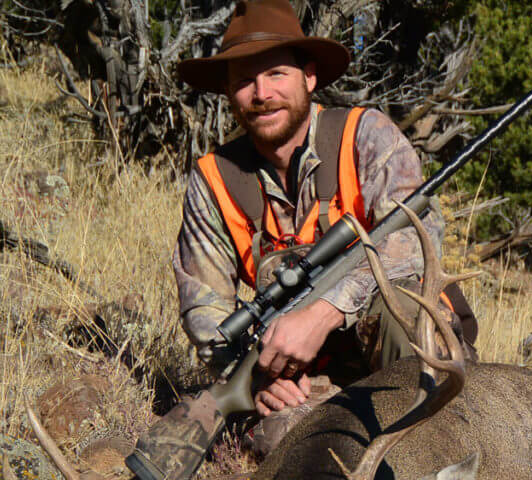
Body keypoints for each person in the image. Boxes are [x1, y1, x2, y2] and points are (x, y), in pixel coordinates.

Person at [172, 0, 476, 425]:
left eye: (276, 74)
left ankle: (438, 438)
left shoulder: (367, 136)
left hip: (394, 345)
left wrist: (322, 313)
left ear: (309, 77)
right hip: (299, 374)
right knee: (279, 437)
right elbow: (204, 310)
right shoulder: (213, 180)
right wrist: (256, 379)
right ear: (228, 92)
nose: (262, 94)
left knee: (407, 314)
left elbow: (413, 245)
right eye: (244, 81)